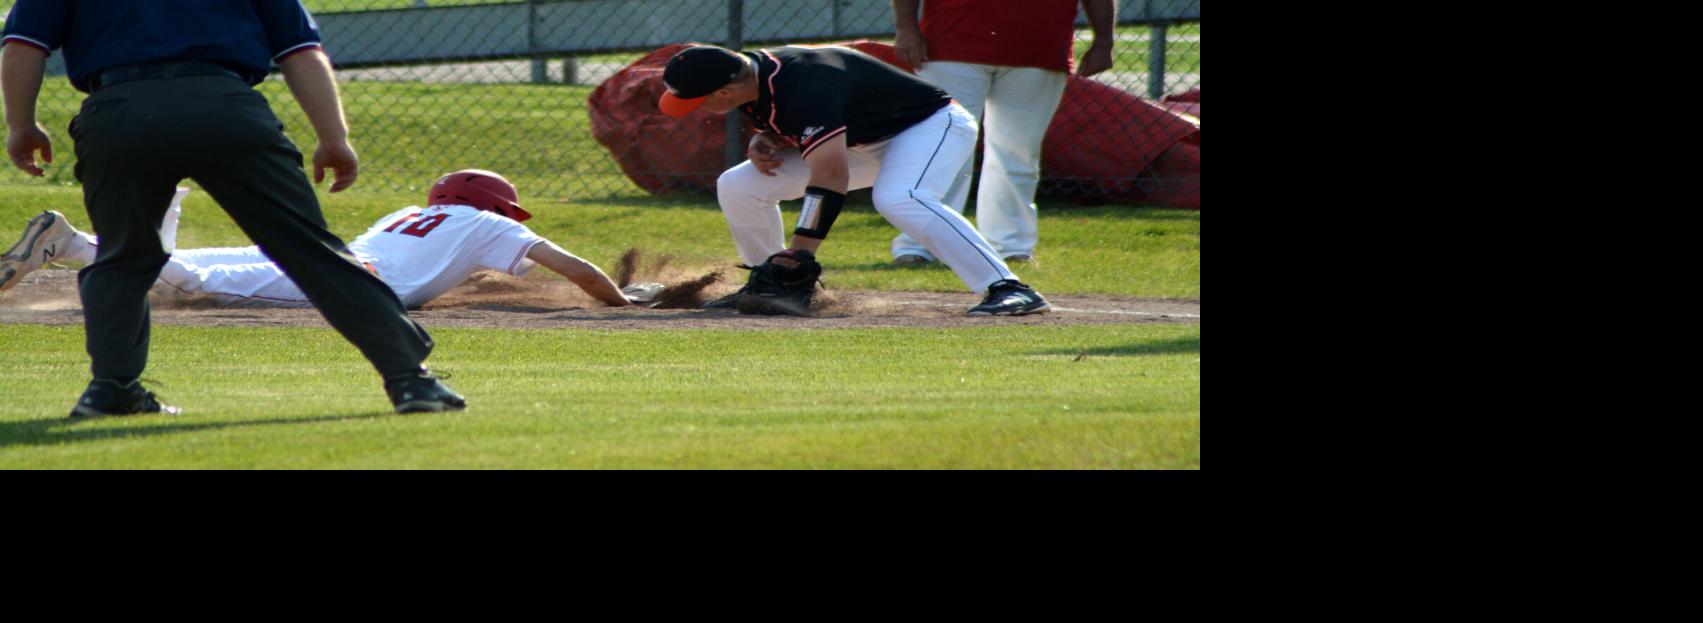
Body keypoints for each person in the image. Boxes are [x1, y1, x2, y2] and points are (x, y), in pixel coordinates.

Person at [1, 0, 463, 416]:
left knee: (125, 257)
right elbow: (301, 51)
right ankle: (409, 381)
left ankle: (111, 388)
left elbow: (24, 45)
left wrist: (21, 125)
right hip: (224, 106)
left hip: (119, 112)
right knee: (310, 249)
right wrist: (333, 138)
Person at [658, 43, 1049, 317]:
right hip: (867, 139)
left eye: (700, 100)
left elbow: (830, 174)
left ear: (725, 90)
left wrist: (800, 252)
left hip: (929, 127)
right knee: (739, 185)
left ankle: (1008, 287)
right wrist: (765, 138)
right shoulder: (757, 78)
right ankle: (769, 287)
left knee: (900, 196)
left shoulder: (805, 83)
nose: (699, 109)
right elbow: (803, 127)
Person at [3, 172, 663, 311]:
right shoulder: (494, 225)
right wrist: (619, 301)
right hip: (353, 275)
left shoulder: (412, 213)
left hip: (326, 252)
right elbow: (574, 266)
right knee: (196, 284)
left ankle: (143, 211)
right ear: (494, 207)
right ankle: (69, 245)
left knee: (188, 266)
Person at [889, 0, 1116, 267]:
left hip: (1038, 49)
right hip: (949, 44)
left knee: (1017, 153)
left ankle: (1010, 247)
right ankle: (921, 244)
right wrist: (906, 28)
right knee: (942, 148)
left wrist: (1104, 41)